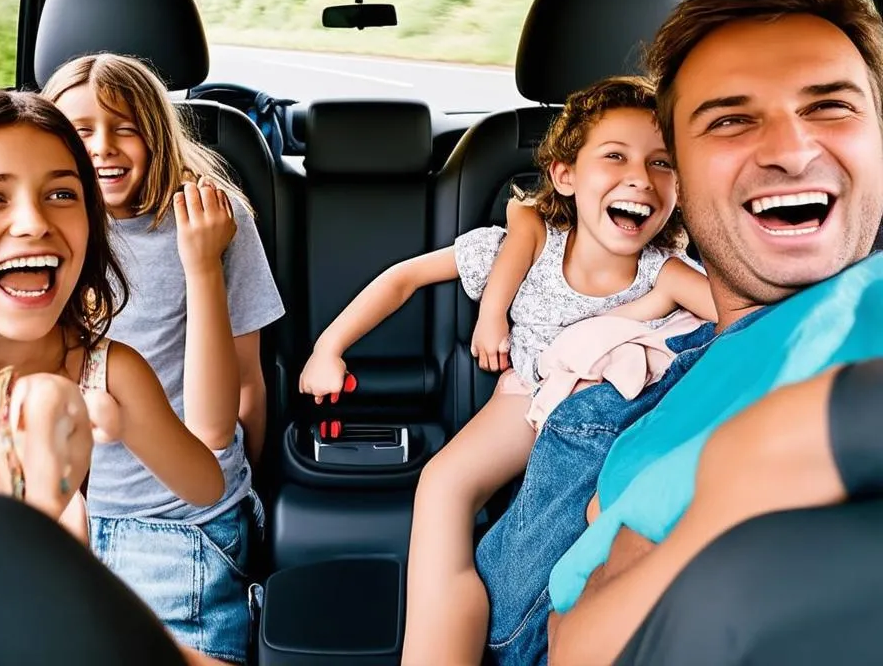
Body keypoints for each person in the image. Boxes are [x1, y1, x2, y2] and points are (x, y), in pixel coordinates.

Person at [469, 0, 883, 666]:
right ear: (680, 179)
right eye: (730, 120)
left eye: (830, 106)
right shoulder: (646, 382)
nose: (789, 150)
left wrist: (761, 462)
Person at [298, 76, 714, 665]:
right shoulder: (525, 248)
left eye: (662, 163)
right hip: (521, 402)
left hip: (609, 420)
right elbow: (403, 278)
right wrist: (328, 348)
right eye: (615, 156)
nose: (640, 179)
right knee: (442, 488)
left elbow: (741, 320)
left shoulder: (667, 272)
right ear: (565, 175)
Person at [0, 90, 227, 546]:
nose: (34, 222)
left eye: (61, 193)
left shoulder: (105, 374)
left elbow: (206, 486)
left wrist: (126, 423)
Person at [44, 53, 284, 666]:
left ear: (156, 131)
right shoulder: (41, 230)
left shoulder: (210, 222)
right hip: (60, 513)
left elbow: (245, 388)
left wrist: (236, 487)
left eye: (125, 128)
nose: (103, 147)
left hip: (177, 518)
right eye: (80, 130)